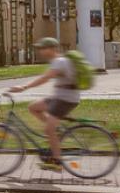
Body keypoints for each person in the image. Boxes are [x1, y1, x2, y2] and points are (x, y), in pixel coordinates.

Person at [8, 37, 78, 172]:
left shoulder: (60, 62)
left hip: (66, 99)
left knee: (48, 130)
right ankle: (54, 131)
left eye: (42, 48)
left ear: (51, 49)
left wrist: (24, 87)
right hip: (59, 97)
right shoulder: (58, 61)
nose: (40, 51)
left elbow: (45, 78)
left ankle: (57, 162)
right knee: (33, 107)